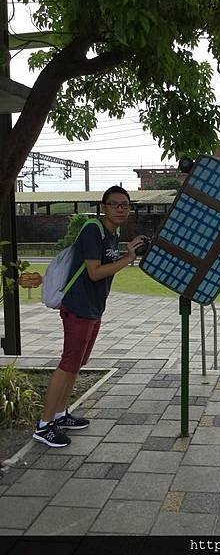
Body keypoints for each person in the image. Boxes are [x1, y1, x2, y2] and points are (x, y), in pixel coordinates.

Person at [33, 186, 147, 448]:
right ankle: (44, 425)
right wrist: (128, 258)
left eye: (125, 205)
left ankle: (60, 415)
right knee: (68, 363)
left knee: (77, 363)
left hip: (93, 307)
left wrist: (125, 253)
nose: (120, 209)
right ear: (103, 207)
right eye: (115, 204)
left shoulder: (110, 235)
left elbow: (105, 267)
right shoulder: (92, 230)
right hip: (79, 307)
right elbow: (95, 272)